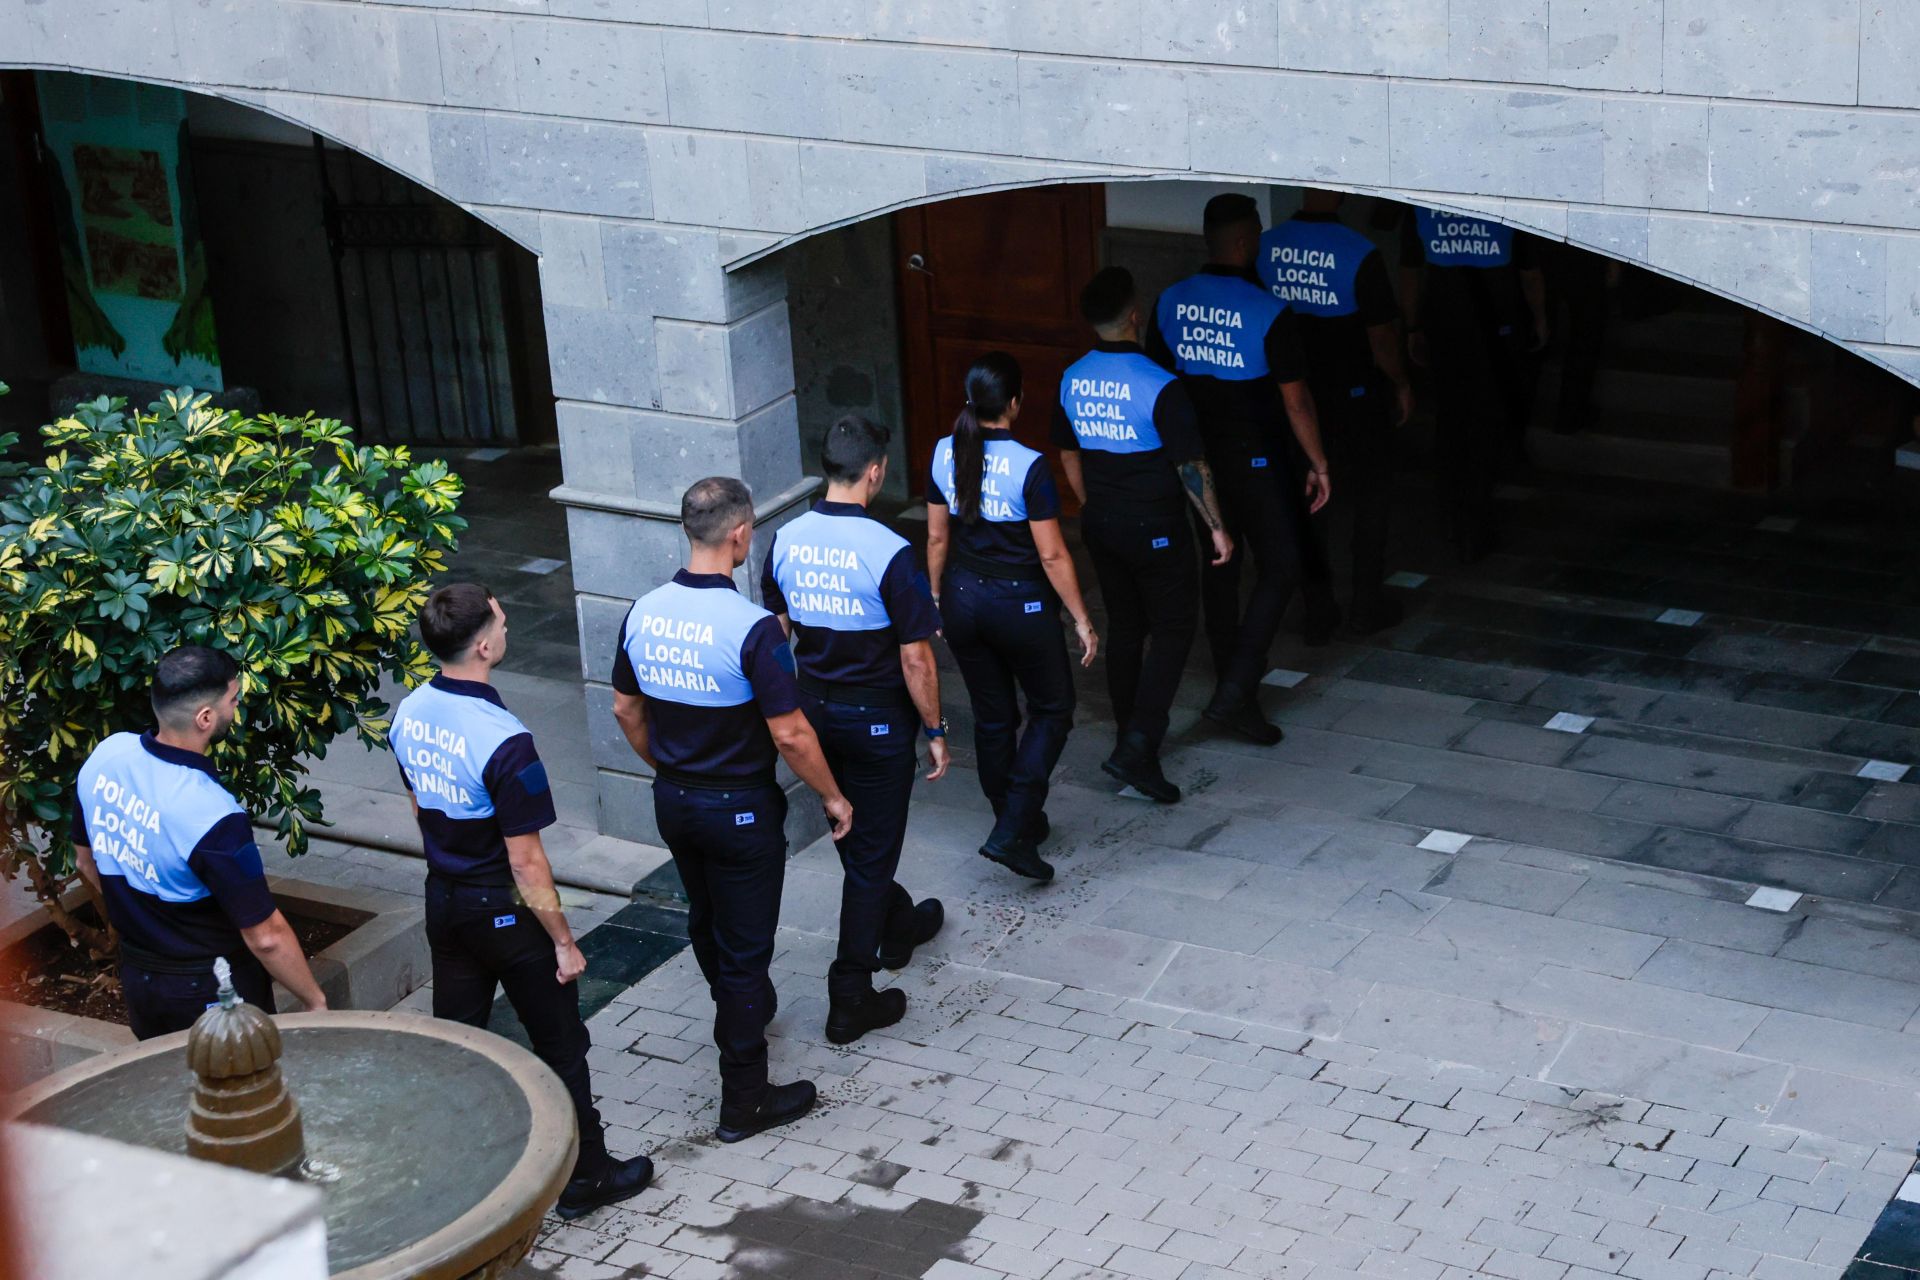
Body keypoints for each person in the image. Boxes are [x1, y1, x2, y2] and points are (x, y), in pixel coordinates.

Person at [390, 583, 652, 1220]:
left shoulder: (408, 713)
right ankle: (586, 1175)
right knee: (560, 1046)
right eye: (502, 621)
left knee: (457, 1043)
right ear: (483, 645)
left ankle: (459, 1175)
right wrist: (563, 940)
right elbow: (526, 859)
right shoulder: (504, 738)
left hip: (444, 902)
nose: (507, 627)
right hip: (502, 910)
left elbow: (420, 803)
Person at [610, 477, 853, 1143]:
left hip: (675, 802)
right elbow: (792, 734)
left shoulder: (643, 612)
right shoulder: (751, 630)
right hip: (740, 810)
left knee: (708, 921)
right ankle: (744, 1098)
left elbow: (625, 709)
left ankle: (740, 1008)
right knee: (746, 953)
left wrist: (668, 768)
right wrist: (833, 795)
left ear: (688, 531)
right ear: (741, 534)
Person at [761, 415, 949, 1046]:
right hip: (875, 722)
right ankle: (850, 994)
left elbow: (776, 629)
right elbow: (916, 657)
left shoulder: (785, 539)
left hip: (813, 714)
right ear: (876, 470)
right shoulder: (889, 550)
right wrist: (936, 727)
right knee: (869, 856)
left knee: (854, 838)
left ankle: (898, 924)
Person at [71, 645, 328, 1041]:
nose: (236, 708)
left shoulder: (107, 756)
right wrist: (315, 1003)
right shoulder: (212, 814)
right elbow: (266, 936)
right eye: (233, 700)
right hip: (211, 991)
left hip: (140, 978)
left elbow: (85, 862)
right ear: (205, 718)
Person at [1148, 193, 1333, 731]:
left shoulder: (1170, 300)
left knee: (1220, 569)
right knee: (1281, 564)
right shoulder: (1269, 310)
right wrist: (1318, 461)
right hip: (1255, 460)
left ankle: (1235, 686)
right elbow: (1295, 400)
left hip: (1195, 461)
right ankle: (1236, 688)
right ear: (1245, 241)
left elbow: (1160, 386)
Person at [1054, 266, 1228, 805]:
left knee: (1126, 626)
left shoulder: (1072, 376)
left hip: (1102, 522)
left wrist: (1089, 505)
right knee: (1174, 629)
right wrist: (1217, 528)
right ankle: (1137, 745)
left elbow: (1067, 452)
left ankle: (1130, 733)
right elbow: (1190, 466)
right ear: (1135, 316)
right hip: (1154, 524)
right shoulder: (1161, 383)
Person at [926, 353, 1099, 883]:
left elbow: (936, 536)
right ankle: (1011, 828)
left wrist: (935, 596)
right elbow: (1051, 556)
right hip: (1018, 603)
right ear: (1015, 403)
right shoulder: (1030, 464)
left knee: (994, 717)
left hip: (961, 598)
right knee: (1053, 708)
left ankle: (1013, 818)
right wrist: (1082, 619)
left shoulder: (941, 452)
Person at [1259, 189, 1414, 635]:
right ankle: (1365, 602)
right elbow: (1381, 336)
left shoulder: (1267, 246)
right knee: (1372, 494)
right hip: (1354, 393)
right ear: (1344, 193)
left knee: (1309, 501)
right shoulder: (1358, 251)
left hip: (1294, 397)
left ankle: (1317, 609)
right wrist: (1401, 382)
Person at [1401, 205, 1549, 562]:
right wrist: (1541, 318)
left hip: (1444, 323)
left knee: (1451, 421)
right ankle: (1476, 525)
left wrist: (1410, 326)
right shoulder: (1506, 206)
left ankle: (1451, 517)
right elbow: (1530, 273)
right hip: (1496, 326)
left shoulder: (1423, 208)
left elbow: (1409, 272)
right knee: (1487, 421)